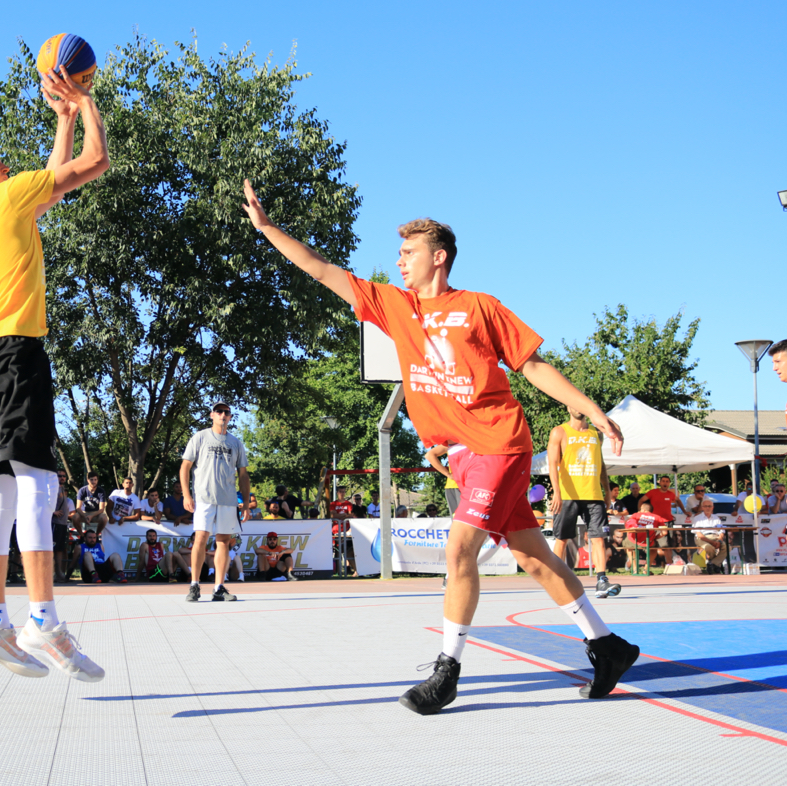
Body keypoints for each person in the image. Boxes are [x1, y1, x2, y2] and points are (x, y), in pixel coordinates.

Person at [239, 182, 637, 714]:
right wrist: (267, 228)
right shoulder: (394, 305)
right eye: (399, 253)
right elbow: (321, 269)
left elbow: (534, 366)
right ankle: (608, 647)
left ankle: (447, 672)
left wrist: (590, 408)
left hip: (499, 441)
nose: (399, 260)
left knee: (458, 550)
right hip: (464, 454)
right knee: (534, 557)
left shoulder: (479, 307)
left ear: (439, 257)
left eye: (409, 252)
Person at [0, 66, 109, 682]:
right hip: (15, 355)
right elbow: (94, 164)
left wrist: (62, 119)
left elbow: (50, 190)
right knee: (40, 490)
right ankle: (43, 618)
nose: (5, 162)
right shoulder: (5, 195)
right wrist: (85, 102)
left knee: (1, 495)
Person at [180, 402, 251, 602]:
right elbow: (185, 467)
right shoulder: (200, 437)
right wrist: (186, 495)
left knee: (224, 542)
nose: (222, 414)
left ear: (230, 417)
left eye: (226, 412)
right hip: (204, 497)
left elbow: (243, 475)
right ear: (212, 415)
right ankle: (194, 585)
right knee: (200, 538)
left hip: (228, 500)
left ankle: (218, 587)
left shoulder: (235, 443)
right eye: (219, 411)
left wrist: (246, 504)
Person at [548, 408, 620, 599]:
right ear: (567, 407)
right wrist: (556, 492)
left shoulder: (596, 433)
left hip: (593, 495)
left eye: (580, 404)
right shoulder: (559, 431)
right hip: (567, 495)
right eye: (573, 404)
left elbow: (600, 463)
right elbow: (552, 463)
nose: (577, 407)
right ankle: (557, 581)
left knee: (598, 538)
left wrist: (606, 491)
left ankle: (602, 581)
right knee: (562, 539)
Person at [623, 500, 672, 572]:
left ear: (643, 509)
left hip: (633, 541)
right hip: (649, 541)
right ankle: (646, 569)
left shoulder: (636, 515)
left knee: (629, 546)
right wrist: (655, 537)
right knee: (654, 549)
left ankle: (635, 569)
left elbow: (627, 524)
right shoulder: (657, 517)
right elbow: (664, 532)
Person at [691, 498, 729, 573]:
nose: (707, 508)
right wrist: (712, 542)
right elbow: (699, 534)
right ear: (702, 507)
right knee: (709, 547)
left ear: (712, 507)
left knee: (727, 547)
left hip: (715, 537)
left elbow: (721, 530)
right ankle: (717, 565)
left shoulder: (716, 518)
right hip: (702, 538)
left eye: (709, 506)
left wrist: (719, 540)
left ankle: (712, 563)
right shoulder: (697, 518)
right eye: (705, 506)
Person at [425, 444, 461, 514]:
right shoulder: (456, 442)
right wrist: (448, 474)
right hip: (456, 486)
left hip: (474, 485)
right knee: (460, 518)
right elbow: (430, 455)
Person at [51, 484, 74, 583]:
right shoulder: (52, 487)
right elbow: (43, 501)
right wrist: (53, 512)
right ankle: (50, 574)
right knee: (51, 549)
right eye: (60, 476)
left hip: (63, 524)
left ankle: (59, 573)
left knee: (60, 549)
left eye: (64, 476)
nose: (62, 478)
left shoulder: (62, 489)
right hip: (54, 523)